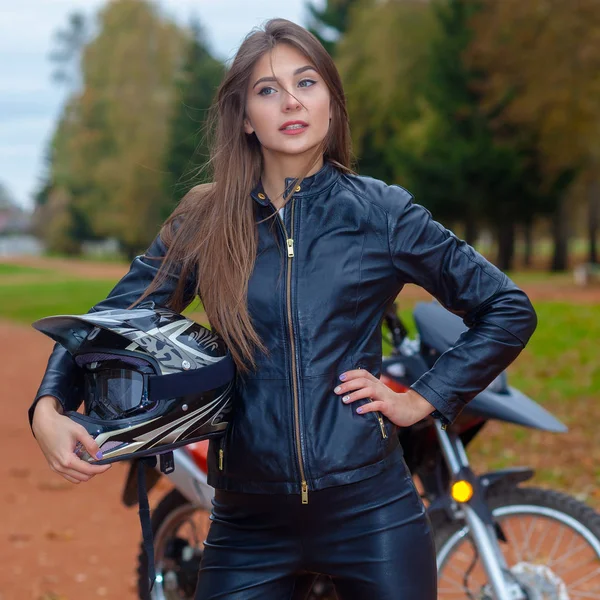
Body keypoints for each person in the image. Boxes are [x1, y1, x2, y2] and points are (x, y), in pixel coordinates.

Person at [29, 17, 538, 600]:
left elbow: (506, 307)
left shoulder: (382, 213)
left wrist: (422, 398)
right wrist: (47, 404)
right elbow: (116, 318)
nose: (291, 101)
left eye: (307, 82)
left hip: (373, 514)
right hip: (248, 522)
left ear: (331, 104)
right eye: (268, 90)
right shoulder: (205, 219)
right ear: (245, 117)